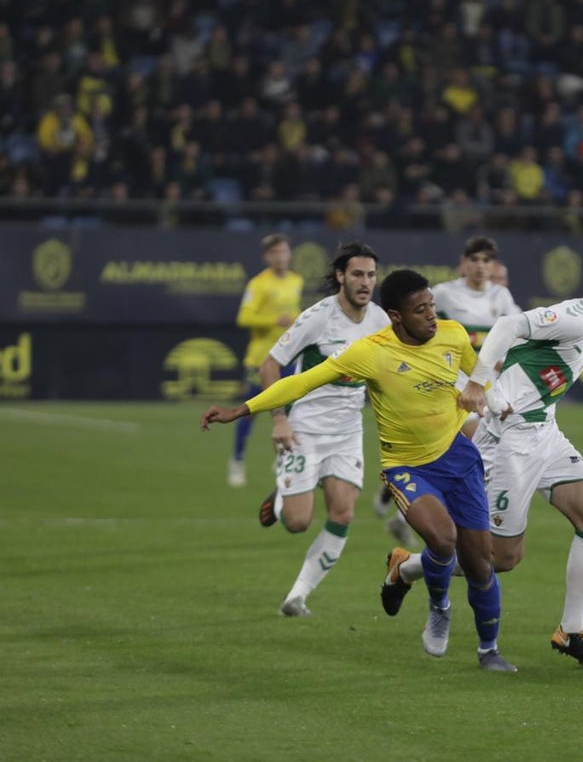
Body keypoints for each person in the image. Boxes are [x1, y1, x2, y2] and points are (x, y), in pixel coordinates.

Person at [202, 270, 517, 672]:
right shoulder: (370, 351)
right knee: (442, 538)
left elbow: (482, 373)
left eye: (432, 306)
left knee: (480, 564)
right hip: (406, 465)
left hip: (458, 458)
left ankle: (488, 650)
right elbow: (301, 382)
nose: (431, 317)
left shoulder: (453, 335)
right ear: (396, 316)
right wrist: (241, 410)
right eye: (420, 310)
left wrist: (485, 392)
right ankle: (439, 606)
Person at [381, 257, 583, 669]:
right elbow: (508, 326)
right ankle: (409, 568)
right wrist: (477, 384)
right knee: (502, 559)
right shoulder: (576, 318)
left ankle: (571, 631)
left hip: (543, 431)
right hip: (509, 441)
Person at [254, 242, 389, 617]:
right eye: (358, 274)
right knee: (298, 522)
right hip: (303, 430)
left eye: (371, 275)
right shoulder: (318, 317)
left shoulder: (381, 321)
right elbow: (270, 365)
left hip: (346, 434)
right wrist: (279, 418)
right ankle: (283, 496)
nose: (366, 282)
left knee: (343, 513)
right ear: (341, 277)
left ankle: (297, 596)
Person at [375, 236, 521, 545]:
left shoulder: (501, 296)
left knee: (469, 449)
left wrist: (501, 359)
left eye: (486, 261)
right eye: (475, 260)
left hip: (482, 381)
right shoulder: (444, 294)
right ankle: (440, 510)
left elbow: (512, 334)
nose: (480, 267)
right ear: (463, 262)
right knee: (468, 442)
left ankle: (405, 506)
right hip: (449, 381)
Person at [228, 234, 303, 487]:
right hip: (261, 359)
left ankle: (283, 457)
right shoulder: (258, 284)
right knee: (252, 412)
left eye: (283, 251)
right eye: (275, 252)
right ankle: (237, 461)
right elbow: (243, 317)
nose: (280, 256)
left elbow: (294, 314)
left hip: (288, 356)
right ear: (267, 257)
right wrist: (274, 320)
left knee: (294, 410)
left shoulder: (296, 281)